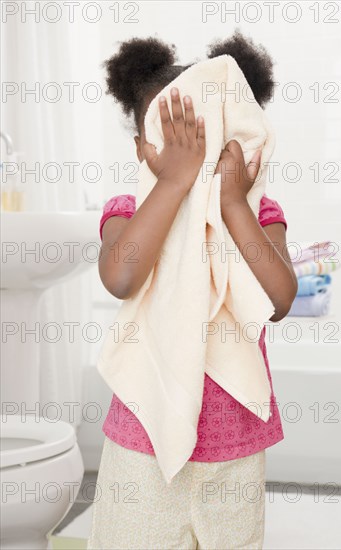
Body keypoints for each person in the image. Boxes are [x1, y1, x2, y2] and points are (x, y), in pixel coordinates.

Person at [87, 30, 298, 550]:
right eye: (173, 137)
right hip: (144, 443)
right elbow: (120, 276)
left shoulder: (257, 212)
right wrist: (175, 182)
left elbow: (278, 300)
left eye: (202, 138)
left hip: (235, 448)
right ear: (141, 148)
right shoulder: (128, 210)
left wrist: (232, 205)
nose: (191, 154)